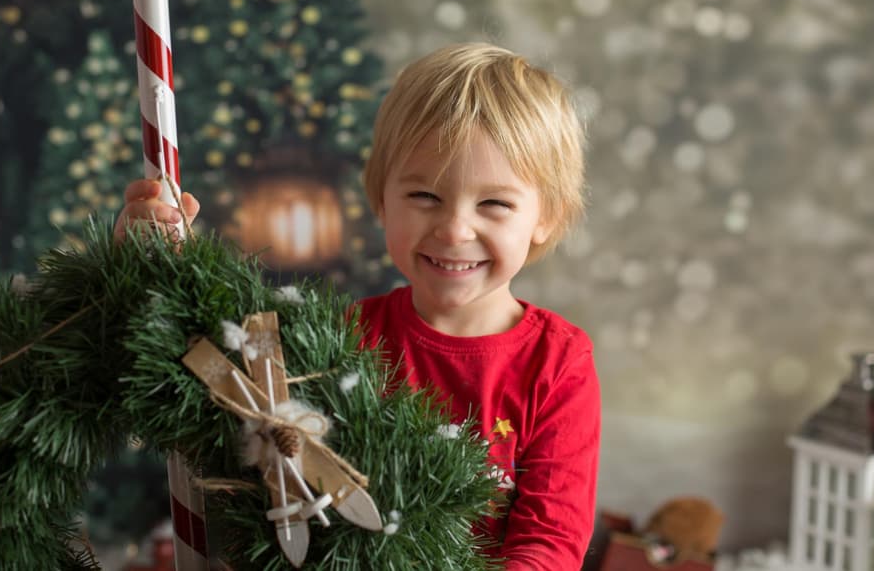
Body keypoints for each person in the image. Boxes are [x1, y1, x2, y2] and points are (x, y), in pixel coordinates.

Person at [116, 42, 600, 570]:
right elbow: (221, 385)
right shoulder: (343, 338)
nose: (455, 229)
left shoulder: (558, 363)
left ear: (545, 217)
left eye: (494, 204)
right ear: (381, 197)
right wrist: (156, 263)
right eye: (425, 197)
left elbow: (549, 541)